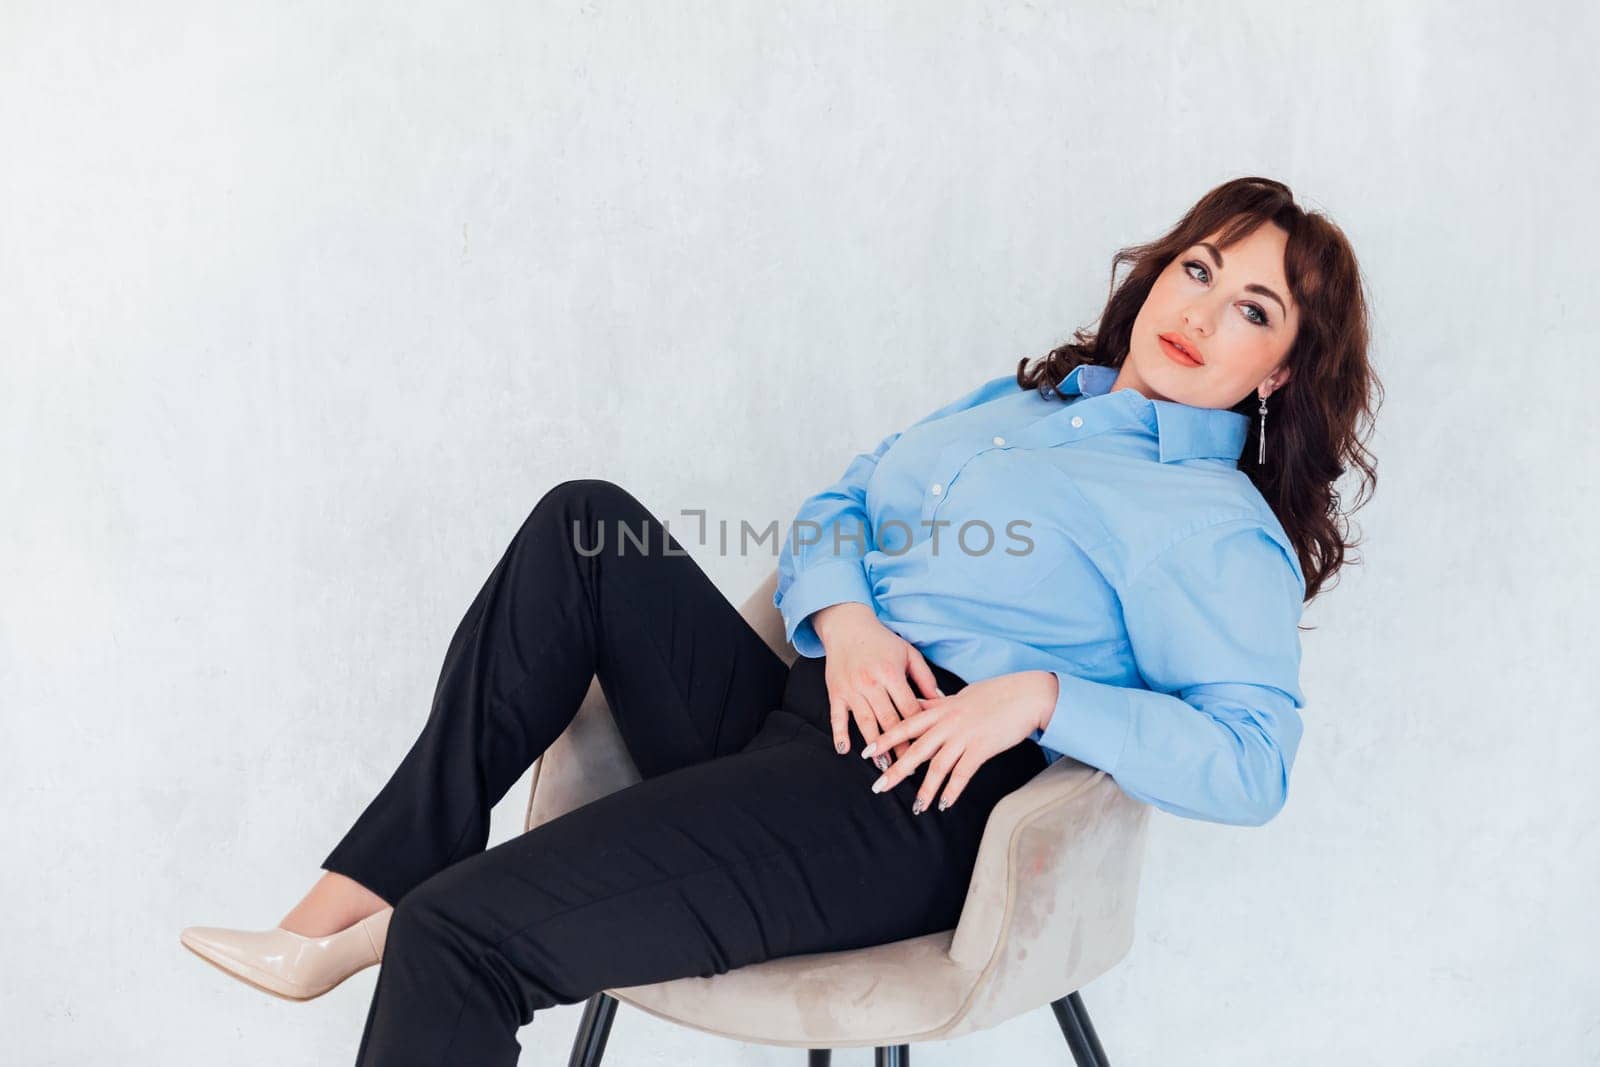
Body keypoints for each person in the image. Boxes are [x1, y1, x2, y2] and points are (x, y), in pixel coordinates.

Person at [179, 176, 1378, 1065]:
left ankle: (412, 912)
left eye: (1255, 310)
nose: (1205, 311)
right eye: (1199, 271)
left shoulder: (1211, 520)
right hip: (795, 705)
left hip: (906, 802)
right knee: (582, 527)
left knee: (464, 937)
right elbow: (841, 502)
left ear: (1277, 373)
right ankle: (361, 884)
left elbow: (1252, 761)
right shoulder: (1023, 405)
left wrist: (1042, 698)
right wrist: (844, 614)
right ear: (1158, 271)